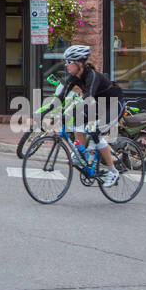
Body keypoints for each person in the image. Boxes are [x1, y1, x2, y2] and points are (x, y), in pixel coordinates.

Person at [54, 44, 124, 185]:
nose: (66, 65)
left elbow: (88, 98)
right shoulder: (74, 77)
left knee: (95, 131)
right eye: (65, 61)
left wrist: (70, 113)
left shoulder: (92, 76)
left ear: (79, 63)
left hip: (113, 105)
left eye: (69, 62)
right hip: (99, 105)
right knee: (77, 121)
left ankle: (113, 171)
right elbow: (60, 97)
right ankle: (83, 155)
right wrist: (44, 113)